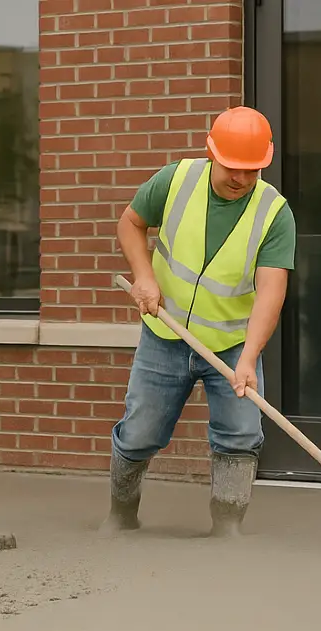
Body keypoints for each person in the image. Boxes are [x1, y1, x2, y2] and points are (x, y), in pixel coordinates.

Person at [100, 106, 296, 538]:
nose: (241, 179)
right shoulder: (176, 181)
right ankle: (121, 513)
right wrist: (145, 276)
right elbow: (131, 223)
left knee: (241, 435)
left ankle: (227, 526)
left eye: (251, 170)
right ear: (212, 153)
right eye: (231, 167)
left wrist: (249, 358)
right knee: (139, 432)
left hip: (229, 344)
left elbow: (271, 293)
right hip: (164, 335)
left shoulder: (274, 214)